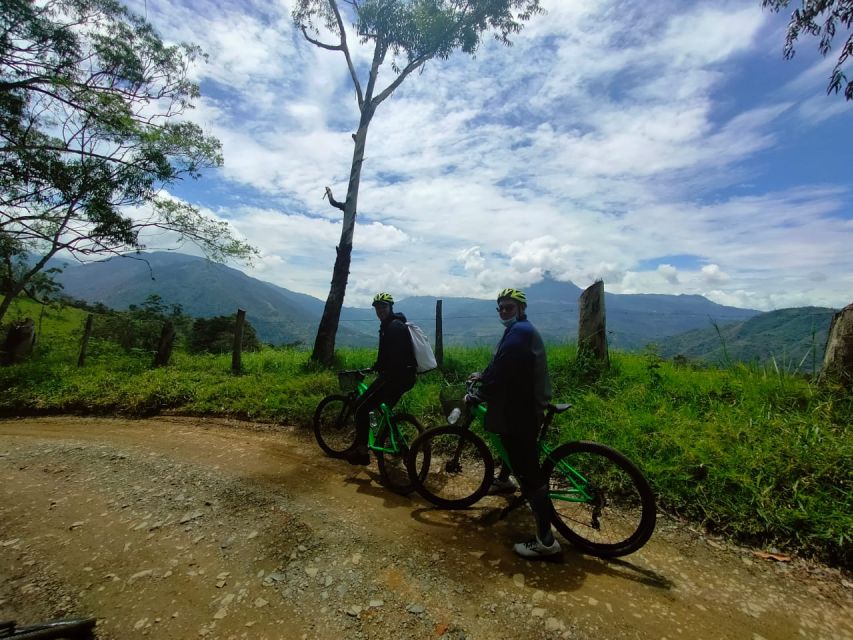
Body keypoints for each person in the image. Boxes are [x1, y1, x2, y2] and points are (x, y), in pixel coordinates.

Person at [469, 287, 560, 559]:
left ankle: (546, 542)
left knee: (531, 477)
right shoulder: (518, 330)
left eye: (508, 307)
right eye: (500, 308)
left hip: (523, 411)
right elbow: (501, 364)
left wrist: (481, 391)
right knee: (512, 448)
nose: (503, 312)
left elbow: (503, 372)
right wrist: (483, 375)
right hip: (522, 405)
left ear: (521, 309)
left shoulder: (519, 332)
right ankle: (505, 480)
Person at [344, 292, 418, 466]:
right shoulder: (393, 324)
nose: (380, 310)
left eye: (383, 306)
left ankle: (362, 452)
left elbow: (393, 357)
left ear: (390, 307)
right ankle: (391, 441)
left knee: (361, 408)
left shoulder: (392, 327)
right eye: (377, 307)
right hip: (407, 377)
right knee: (384, 409)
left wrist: (382, 368)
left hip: (394, 377)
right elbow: (387, 354)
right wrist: (377, 365)